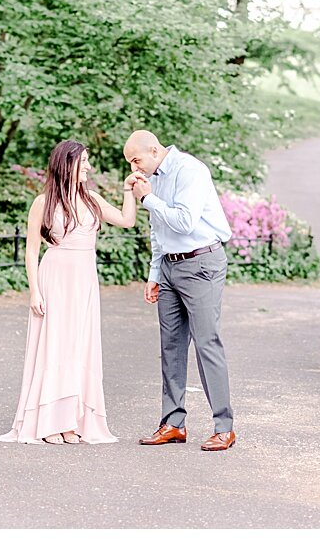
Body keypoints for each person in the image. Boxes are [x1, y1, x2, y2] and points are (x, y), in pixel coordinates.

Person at [0, 140, 135, 445]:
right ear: (66, 164)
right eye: (83, 162)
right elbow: (31, 251)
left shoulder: (92, 199)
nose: (88, 167)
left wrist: (127, 191)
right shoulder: (43, 203)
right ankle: (49, 422)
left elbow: (126, 220)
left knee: (78, 346)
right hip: (54, 277)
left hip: (84, 280)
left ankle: (71, 421)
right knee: (54, 346)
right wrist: (34, 292)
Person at [123, 130, 236, 452]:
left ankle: (224, 427)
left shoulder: (190, 170)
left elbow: (185, 222)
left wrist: (146, 198)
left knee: (206, 343)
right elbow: (158, 230)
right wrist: (155, 273)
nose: (135, 167)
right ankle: (173, 423)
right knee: (171, 346)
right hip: (170, 268)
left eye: (136, 159)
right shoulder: (152, 178)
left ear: (154, 150)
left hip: (202, 263)